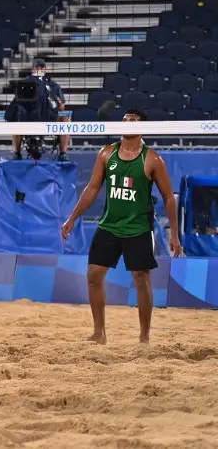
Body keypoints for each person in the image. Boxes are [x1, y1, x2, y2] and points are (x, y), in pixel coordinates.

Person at [61, 109, 183, 345]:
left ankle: (144, 337)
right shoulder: (107, 153)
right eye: (125, 120)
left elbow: (169, 197)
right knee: (94, 275)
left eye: (133, 121)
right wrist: (72, 217)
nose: (127, 123)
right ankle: (99, 333)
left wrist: (175, 235)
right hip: (109, 225)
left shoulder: (153, 159)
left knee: (141, 277)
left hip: (138, 227)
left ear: (142, 128)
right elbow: (93, 188)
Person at [10, 58, 69, 161]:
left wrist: (59, 103)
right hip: (29, 116)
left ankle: (63, 154)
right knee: (16, 120)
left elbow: (62, 107)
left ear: (45, 69)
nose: (39, 69)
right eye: (37, 67)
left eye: (41, 67)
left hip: (49, 116)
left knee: (66, 121)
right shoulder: (25, 84)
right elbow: (18, 104)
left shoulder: (54, 86)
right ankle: (16, 153)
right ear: (33, 70)